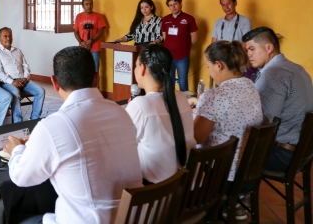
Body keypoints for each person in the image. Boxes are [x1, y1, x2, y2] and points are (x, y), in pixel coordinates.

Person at [5, 46, 142, 224]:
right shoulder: (121, 113)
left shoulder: (53, 126)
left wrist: (17, 150)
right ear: (96, 78)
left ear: (54, 83)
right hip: (132, 217)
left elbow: (21, 177)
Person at [193, 41, 263, 190]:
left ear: (218, 65)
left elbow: (196, 137)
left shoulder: (216, 95)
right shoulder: (250, 86)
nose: (209, 72)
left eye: (208, 66)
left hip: (222, 175)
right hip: (249, 171)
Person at [242, 27, 313, 172]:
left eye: (251, 49)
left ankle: (239, 193)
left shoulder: (273, 74)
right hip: (304, 151)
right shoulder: (298, 68)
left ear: (269, 47)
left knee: (224, 153)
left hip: (282, 154)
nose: (248, 55)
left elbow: (261, 120)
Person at [125, 44, 196, 184]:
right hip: (188, 187)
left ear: (143, 68)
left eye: (136, 65)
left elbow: (122, 147)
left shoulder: (140, 105)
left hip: (158, 193)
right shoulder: (181, 97)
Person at [0, 27, 45, 123]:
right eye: (5, 36)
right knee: (15, 93)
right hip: (6, 82)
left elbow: (26, 66)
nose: (8, 38)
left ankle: (34, 119)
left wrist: (25, 78)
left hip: (23, 80)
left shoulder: (18, 51)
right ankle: (17, 122)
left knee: (40, 91)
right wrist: (12, 81)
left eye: (10, 36)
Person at [161, 0, 198, 92]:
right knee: (169, 82)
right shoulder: (165, 19)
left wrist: (183, 46)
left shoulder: (189, 19)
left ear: (181, 4)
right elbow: (165, 37)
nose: (173, 7)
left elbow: (194, 38)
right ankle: (171, 104)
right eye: (170, 5)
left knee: (182, 82)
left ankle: (185, 104)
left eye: (175, 4)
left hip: (182, 57)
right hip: (168, 57)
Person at [73, 0, 107, 87]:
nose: (89, 6)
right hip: (82, 48)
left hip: (95, 48)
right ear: (83, 6)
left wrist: (91, 40)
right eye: (87, 4)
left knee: (95, 70)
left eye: (91, 4)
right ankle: (84, 90)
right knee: (82, 69)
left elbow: (101, 31)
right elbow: (76, 31)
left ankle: (95, 90)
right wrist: (81, 42)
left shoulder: (98, 16)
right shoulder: (79, 16)